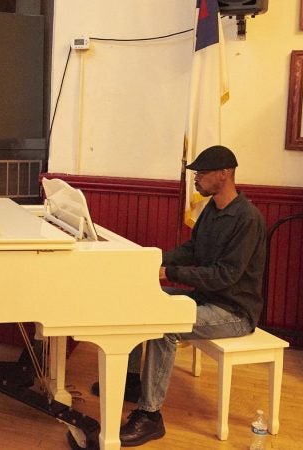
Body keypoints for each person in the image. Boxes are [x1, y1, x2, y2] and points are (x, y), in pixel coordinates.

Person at [104, 145, 266, 446]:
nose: (196, 180)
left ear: (225, 173)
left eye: (201, 174)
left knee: (165, 326)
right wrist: (153, 262)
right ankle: (133, 381)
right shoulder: (212, 211)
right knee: (140, 299)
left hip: (235, 312)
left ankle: (150, 415)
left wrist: (170, 273)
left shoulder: (247, 219)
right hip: (206, 299)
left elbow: (225, 276)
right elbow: (191, 250)